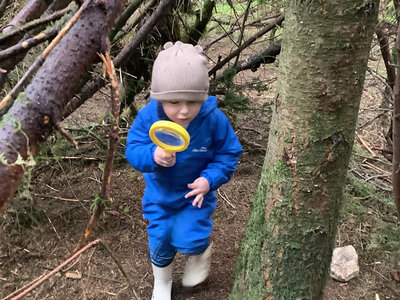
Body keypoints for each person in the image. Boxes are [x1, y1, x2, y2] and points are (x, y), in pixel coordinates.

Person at [125, 41, 242, 300]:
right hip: (160, 195)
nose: (184, 110)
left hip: (194, 195)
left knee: (191, 236)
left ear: (203, 97)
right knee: (160, 240)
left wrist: (209, 179)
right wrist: (152, 155)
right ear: (159, 98)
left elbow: (229, 152)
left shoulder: (212, 120)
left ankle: (199, 253)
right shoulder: (148, 118)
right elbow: (132, 148)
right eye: (174, 101)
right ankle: (162, 282)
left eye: (193, 101)